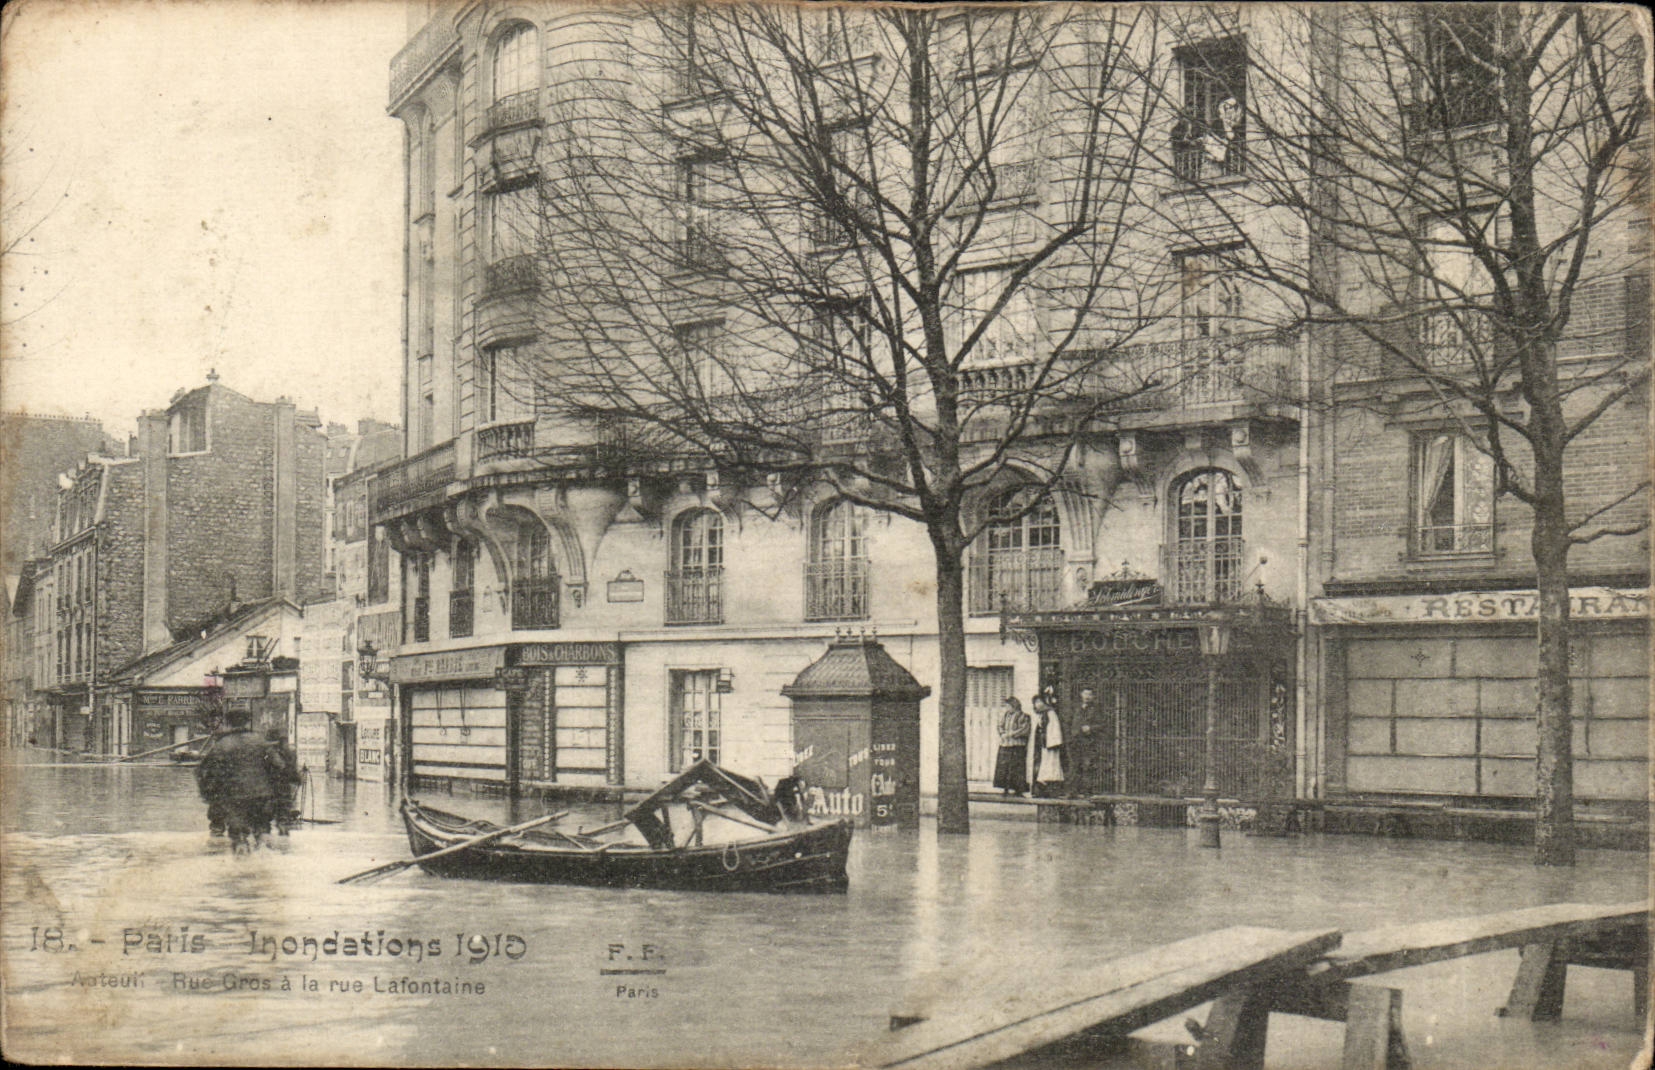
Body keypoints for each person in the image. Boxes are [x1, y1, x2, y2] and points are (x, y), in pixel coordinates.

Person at [196, 710, 276, 853]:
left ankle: (240, 859)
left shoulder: (222, 744)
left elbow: (204, 771)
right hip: (261, 796)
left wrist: (208, 793)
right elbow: (279, 766)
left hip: (234, 797)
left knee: (238, 837)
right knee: (262, 833)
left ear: (228, 723)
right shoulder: (261, 741)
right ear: (248, 721)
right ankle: (264, 860)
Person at [264, 728, 303, 835]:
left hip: (273, 786)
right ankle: (283, 833)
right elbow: (292, 770)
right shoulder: (289, 752)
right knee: (282, 813)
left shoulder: (270, 752)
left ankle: (272, 835)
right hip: (284, 786)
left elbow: (279, 765)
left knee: (268, 815)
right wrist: (297, 778)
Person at [992, 697, 1031, 797]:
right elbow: (1000, 725)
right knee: (1004, 767)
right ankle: (1005, 788)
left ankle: (1018, 789)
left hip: (1017, 746)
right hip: (1005, 744)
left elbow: (1024, 729)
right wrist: (1002, 733)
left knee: (1016, 768)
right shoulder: (1006, 715)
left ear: (1014, 706)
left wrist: (1011, 734)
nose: (1007, 708)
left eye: (1008, 706)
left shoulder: (1023, 716)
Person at [1030, 691, 1065, 798]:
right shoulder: (1039, 715)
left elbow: (1055, 729)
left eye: (1039, 701)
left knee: (1050, 766)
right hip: (1041, 745)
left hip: (1049, 745)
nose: (1037, 704)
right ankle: (1039, 790)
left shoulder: (1051, 714)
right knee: (1041, 767)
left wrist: (1052, 743)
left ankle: (1051, 790)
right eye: (1036, 702)